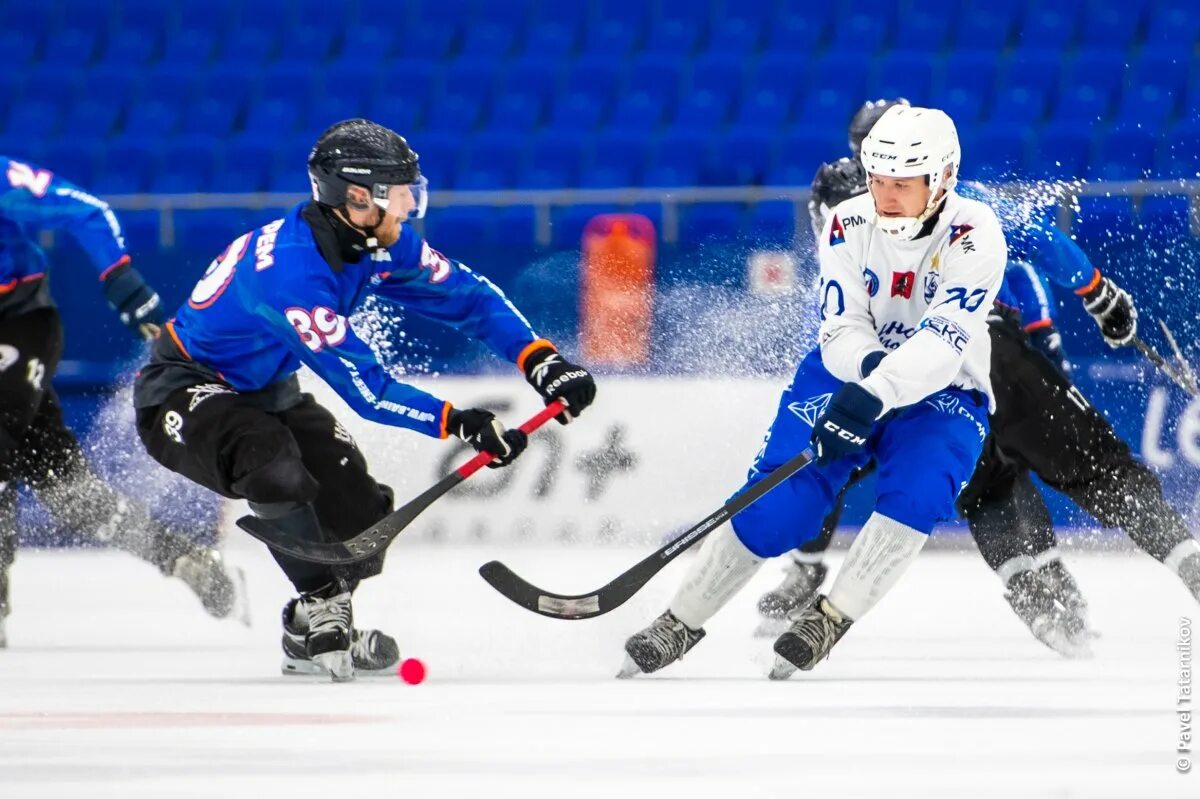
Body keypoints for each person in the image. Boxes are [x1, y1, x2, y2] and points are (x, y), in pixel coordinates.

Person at [132, 119, 597, 681]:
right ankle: (325, 607)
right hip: (182, 390)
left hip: (266, 392)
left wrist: (540, 361)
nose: (408, 208)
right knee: (269, 459)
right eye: (397, 194)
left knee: (360, 518)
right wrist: (457, 422)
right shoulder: (291, 277)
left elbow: (470, 298)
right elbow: (368, 391)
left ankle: (306, 624)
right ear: (355, 198)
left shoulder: (375, 242)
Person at [756, 99, 1200, 658]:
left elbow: (836, 320)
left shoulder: (846, 204)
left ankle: (1033, 592)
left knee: (973, 484)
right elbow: (1032, 246)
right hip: (977, 352)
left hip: (912, 376)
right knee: (1081, 462)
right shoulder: (954, 200)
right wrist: (1095, 295)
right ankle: (1168, 557)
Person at [622, 105, 1004, 678]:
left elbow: (944, 342)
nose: (886, 196)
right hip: (848, 371)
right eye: (878, 180)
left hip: (944, 387)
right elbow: (841, 326)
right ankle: (680, 620)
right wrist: (869, 375)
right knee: (778, 504)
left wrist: (879, 391)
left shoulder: (976, 233)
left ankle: (830, 616)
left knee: (920, 494)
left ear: (943, 178)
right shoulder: (847, 221)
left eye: (903, 184)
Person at [0, 155, 243, 648]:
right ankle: (182, 557)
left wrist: (120, 281)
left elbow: (86, 210)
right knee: (71, 494)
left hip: (18, 320)